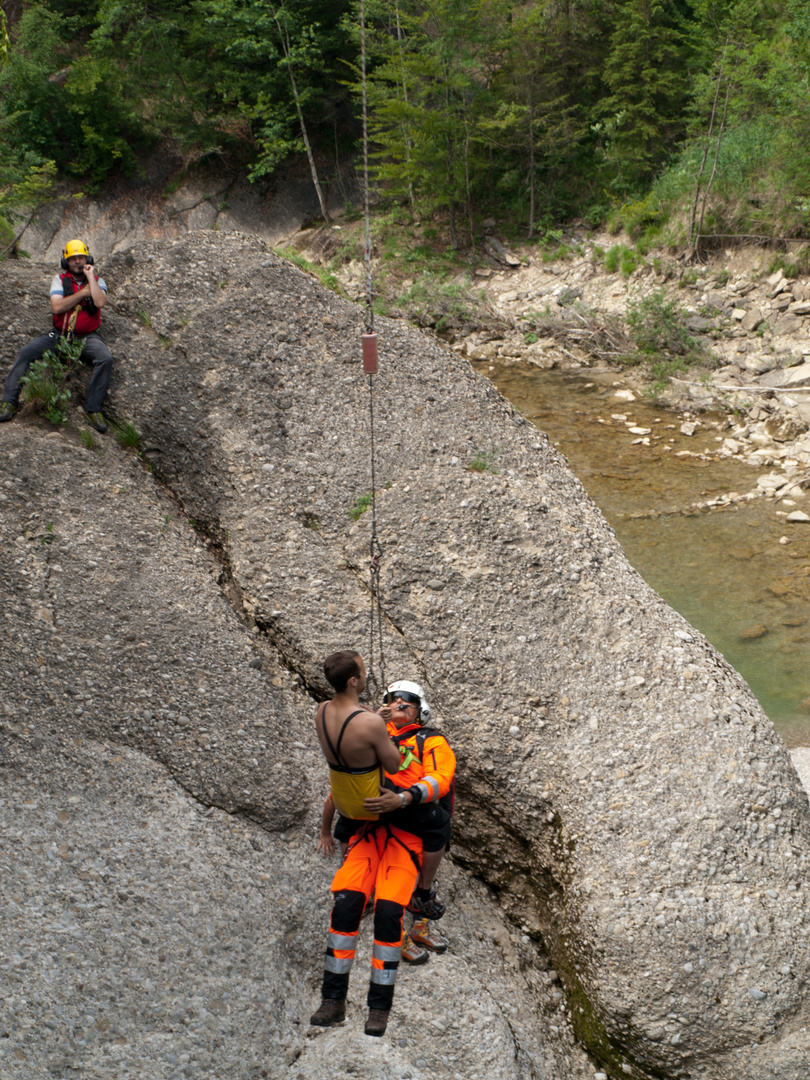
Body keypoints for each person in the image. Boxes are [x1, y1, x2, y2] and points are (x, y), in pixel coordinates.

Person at [311, 650, 421, 1038]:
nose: (367, 671)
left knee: (384, 911)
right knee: (350, 907)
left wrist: (376, 719)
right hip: (375, 817)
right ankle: (337, 1000)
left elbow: (355, 725)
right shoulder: (373, 724)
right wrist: (382, 727)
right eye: (363, 669)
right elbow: (392, 766)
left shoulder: (323, 709)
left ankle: (370, 1007)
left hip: (354, 811)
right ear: (355, 680)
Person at [317, 679, 456, 963]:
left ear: (421, 710)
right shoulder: (372, 729)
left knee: (424, 844)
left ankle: (420, 909)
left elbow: (441, 777)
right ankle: (395, 913)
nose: (400, 703)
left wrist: (407, 797)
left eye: (408, 700)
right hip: (372, 809)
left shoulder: (430, 739)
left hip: (408, 808)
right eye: (393, 699)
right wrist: (326, 830)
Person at [0, 239, 113, 432]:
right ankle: (9, 402)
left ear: (88, 258)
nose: (78, 261)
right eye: (73, 259)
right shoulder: (60, 280)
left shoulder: (98, 280)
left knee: (105, 358)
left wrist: (91, 279)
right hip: (59, 335)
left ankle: (94, 409)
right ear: (66, 262)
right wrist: (82, 293)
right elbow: (57, 306)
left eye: (81, 257)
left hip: (88, 336)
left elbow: (100, 302)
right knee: (27, 352)